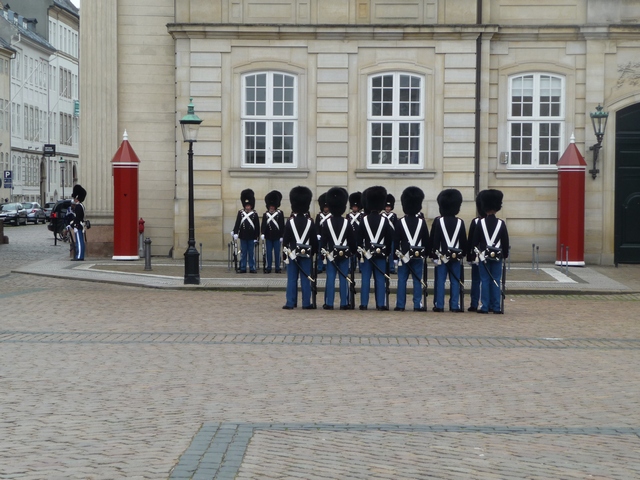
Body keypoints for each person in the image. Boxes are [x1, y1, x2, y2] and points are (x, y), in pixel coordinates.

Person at [473, 189, 510, 314]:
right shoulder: (501, 223)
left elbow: (474, 241)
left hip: (483, 256)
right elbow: (505, 241)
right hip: (498, 256)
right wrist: (505, 254)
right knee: (496, 280)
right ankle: (496, 307)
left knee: (485, 280)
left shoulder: (480, 223)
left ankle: (484, 306)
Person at [357, 186, 393, 310]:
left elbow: (358, 238)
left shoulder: (364, 220)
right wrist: (387, 252)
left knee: (365, 279)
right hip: (381, 254)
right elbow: (389, 238)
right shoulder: (385, 220)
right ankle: (380, 304)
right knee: (380, 279)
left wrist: (359, 253)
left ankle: (364, 303)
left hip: (367, 253)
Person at [431, 189, 467, 312]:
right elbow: (463, 241)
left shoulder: (438, 221)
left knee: (440, 281)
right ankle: (454, 305)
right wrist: (463, 253)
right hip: (456, 256)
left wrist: (434, 255)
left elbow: (435, 240)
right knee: (455, 281)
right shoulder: (460, 222)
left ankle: (439, 305)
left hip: (441, 256)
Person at [320, 187, 356, 310]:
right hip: (345, 254)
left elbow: (323, 241)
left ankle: (329, 303)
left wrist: (322, 254)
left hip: (331, 254)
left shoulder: (326, 223)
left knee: (330, 278)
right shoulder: (347, 222)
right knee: (343, 278)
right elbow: (352, 240)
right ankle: (344, 303)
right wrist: (353, 251)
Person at [394, 186, 430, 311]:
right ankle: (417, 304)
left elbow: (396, 240)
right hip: (418, 255)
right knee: (417, 280)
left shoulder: (400, 222)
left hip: (404, 255)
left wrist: (394, 257)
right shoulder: (422, 222)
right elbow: (426, 239)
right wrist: (427, 253)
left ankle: (400, 304)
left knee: (402, 280)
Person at [282, 186, 318, 310]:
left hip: (292, 253)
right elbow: (313, 240)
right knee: (305, 278)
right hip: (306, 254)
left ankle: (290, 303)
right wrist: (314, 252)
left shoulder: (290, 222)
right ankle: (306, 303)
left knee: (292, 279)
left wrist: (284, 254)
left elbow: (285, 240)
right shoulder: (310, 222)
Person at [466, 191, 487, 312]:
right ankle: (486, 302)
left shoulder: (476, 222)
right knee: (485, 280)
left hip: (478, 255)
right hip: (489, 255)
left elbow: (471, 241)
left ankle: (474, 303)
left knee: (476, 280)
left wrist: (470, 256)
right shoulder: (497, 222)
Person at [232, 189, 260, 273]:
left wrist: (256, 237)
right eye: (246, 205)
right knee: (243, 253)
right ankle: (243, 267)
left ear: (251, 206)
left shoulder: (254, 214)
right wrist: (235, 232)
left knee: (251, 254)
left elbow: (257, 226)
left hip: (251, 236)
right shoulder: (240, 213)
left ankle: (252, 267)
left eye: (249, 206)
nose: (247, 207)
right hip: (243, 235)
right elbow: (237, 223)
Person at [261, 190, 284, 274]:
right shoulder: (265, 215)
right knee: (269, 254)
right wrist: (262, 233)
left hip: (277, 236)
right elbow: (263, 225)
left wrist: (282, 235)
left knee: (277, 253)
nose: (271, 207)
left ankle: (277, 267)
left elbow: (282, 225)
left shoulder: (280, 214)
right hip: (269, 236)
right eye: (270, 206)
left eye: (273, 206)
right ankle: (269, 267)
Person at [347, 191, 363, 274]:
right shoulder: (348, 216)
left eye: (356, 207)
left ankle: (361, 267)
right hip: (351, 236)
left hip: (359, 236)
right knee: (352, 253)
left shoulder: (361, 216)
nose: (355, 208)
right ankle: (352, 267)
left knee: (360, 253)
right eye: (354, 207)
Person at [69, 184, 87, 261]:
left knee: (79, 242)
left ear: (77, 198)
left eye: (75, 198)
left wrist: (75, 225)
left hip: (78, 225)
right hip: (79, 225)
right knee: (80, 241)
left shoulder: (79, 206)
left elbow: (78, 217)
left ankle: (79, 256)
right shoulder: (80, 205)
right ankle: (79, 255)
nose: (74, 199)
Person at [315, 192, 331, 273]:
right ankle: (320, 267)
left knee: (328, 252)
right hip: (321, 236)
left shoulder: (331, 216)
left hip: (329, 237)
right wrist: (317, 234)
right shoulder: (319, 216)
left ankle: (327, 266)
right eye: (324, 207)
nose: (326, 209)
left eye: (327, 207)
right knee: (320, 252)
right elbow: (317, 225)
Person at [382, 193, 397, 273]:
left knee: (391, 253)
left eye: (389, 207)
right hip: (384, 238)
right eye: (386, 207)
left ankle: (391, 268)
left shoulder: (394, 216)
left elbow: (396, 227)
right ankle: (384, 267)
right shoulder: (382, 215)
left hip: (392, 237)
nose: (387, 208)